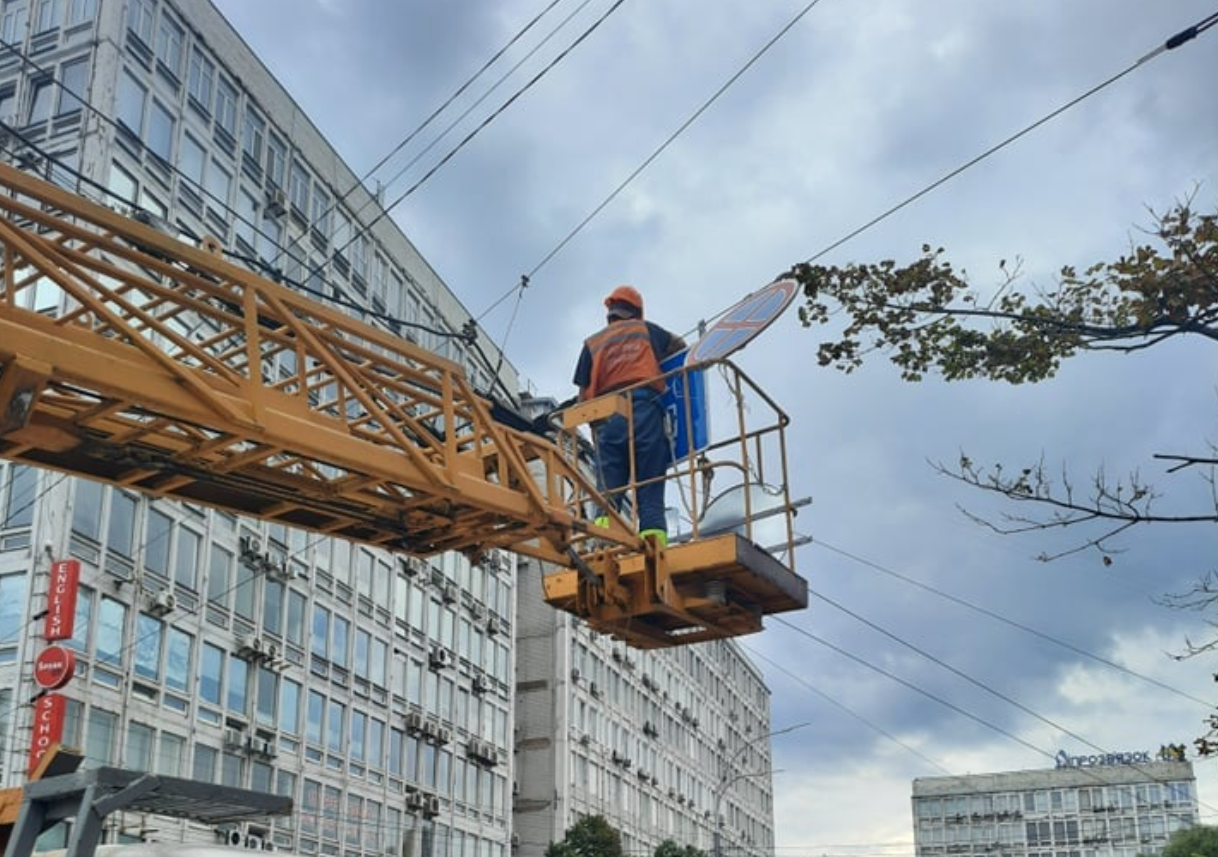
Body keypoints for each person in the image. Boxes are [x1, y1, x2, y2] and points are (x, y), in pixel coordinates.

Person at [573, 285, 686, 546]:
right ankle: (654, 548)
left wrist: (594, 429)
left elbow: (581, 397)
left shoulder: (592, 344)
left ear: (610, 314)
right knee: (650, 487)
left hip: (607, 419)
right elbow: (680, 346)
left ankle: (603, 545)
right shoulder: (646, 331)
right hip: (644, 412)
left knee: (608, 492)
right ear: (636, 312)